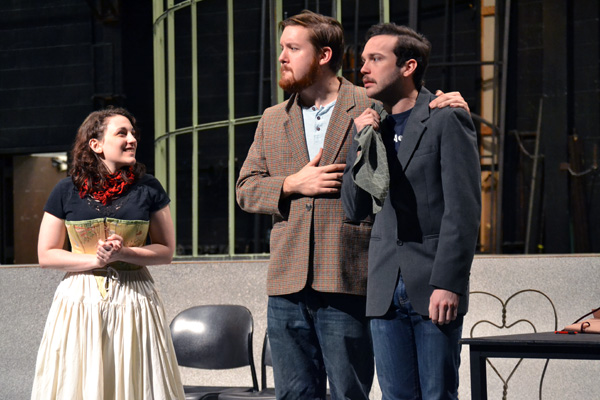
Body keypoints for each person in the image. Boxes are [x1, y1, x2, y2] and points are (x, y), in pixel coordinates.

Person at [236, 10, 470, 400]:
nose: (282, 57)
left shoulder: (371, 99)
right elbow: (245, 189)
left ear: (324, 55)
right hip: (287, 279)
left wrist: (453, 102)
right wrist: (292, 184)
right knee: (293, 394)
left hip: (348, 276)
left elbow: (416, 107)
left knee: (352, 392)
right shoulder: (273, 118)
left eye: (292, 48)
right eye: (282, 48)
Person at [342, 23, 481, 399]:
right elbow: (354, 209)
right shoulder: (372, 125)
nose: (363, 68)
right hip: (385, 286)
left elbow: (463, 210)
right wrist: (361, 143)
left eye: (375, 58)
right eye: (363, 59)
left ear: (408, 66)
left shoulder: (446, 117)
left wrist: (449, 282)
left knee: (437, 394)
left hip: (432, 284)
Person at [31, 107, 185, 400]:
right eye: (122, 133)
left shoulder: (149, 188)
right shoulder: (65, 190)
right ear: (96, 145)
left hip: (135, 299)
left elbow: (165, 251)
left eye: (133, 133)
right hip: (80, 300)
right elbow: (46, 254)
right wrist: (97, 260)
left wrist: (124, 253)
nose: (132, 139)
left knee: (135, 381)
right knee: (78, 379)